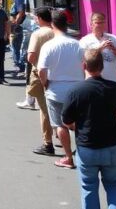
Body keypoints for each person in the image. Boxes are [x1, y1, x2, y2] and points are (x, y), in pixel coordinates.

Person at [61, 48, 116, 209]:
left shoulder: (75, 91)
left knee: (88, 187)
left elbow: (66, 120)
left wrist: (77, 127)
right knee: (114, 185)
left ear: (84, 66)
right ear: (102, 66)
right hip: (113, 146)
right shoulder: (114, 88)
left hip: (88, 147)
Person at [38, 13, 84, 169]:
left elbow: (41, 70)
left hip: (56, 89)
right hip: (78, 89)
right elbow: (85, 65)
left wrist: (45, 83)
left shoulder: (49, 46)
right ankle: (82, 154)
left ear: (52, 25)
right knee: (79, 123)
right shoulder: (77, 44)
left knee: (60, 125)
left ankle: (68, 157)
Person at [78, 13, 116, 84]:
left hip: (113, 81)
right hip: (95, 82)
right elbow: (82, 60)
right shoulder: (85, 41)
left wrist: (114, 49)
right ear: (91, 25)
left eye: (103, 22)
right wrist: (100, 48)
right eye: (98, 23)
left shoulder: (113, 38)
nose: (100, 25)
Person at [10, 0, 28, 75]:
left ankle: (19, 66)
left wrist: (15, 24)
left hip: (18, 25)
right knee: (18, 45)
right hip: (20, 24)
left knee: (16, 45)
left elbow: (21, 12)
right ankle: (20, 65)